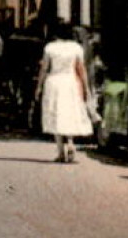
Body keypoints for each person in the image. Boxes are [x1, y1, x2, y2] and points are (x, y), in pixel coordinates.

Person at [33, 23, 93, 163]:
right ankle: (71, 142)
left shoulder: (50, 48)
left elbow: (44, 68)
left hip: (54, 82)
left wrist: (39, 86)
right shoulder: (76, 48)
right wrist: (86, 87)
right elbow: (81, 69)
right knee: (69, 113)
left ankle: (60, 151)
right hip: (70, 81)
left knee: (55, 114)